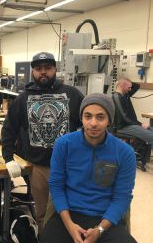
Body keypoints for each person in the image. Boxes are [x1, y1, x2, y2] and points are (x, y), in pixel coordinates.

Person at [1, 52, 84, 233]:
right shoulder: (23, 99)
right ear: (33, 72)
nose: (43, 72)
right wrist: (8, 158)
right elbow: (9, 129)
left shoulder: (73, 94)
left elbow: (88, 124)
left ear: (55, 69)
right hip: (40, 167)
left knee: (71, 211)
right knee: (42, 213)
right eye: (39, 69)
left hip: (69, 166)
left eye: (47, 68)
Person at [40, 93, 136, 243]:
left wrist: (100, 230)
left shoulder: (124, 152)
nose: (93, 123)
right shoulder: (64, 145)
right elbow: (56, 186)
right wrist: (70, 226)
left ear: (109, 120)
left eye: (100, 117)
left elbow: (122, 197)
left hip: (105, 218)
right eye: (88, 116)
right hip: (69, 214)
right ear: (81, 118)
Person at [112, 78, 153, 144]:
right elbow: (124, 117)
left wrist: (126, 81)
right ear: (122, 86)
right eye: (129, 87)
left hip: (131, 124)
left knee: (151, 129)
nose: (130, 89)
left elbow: (137, 86)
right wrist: (140, 124)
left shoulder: (125, 95)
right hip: (124, 127)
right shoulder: (116, 97)